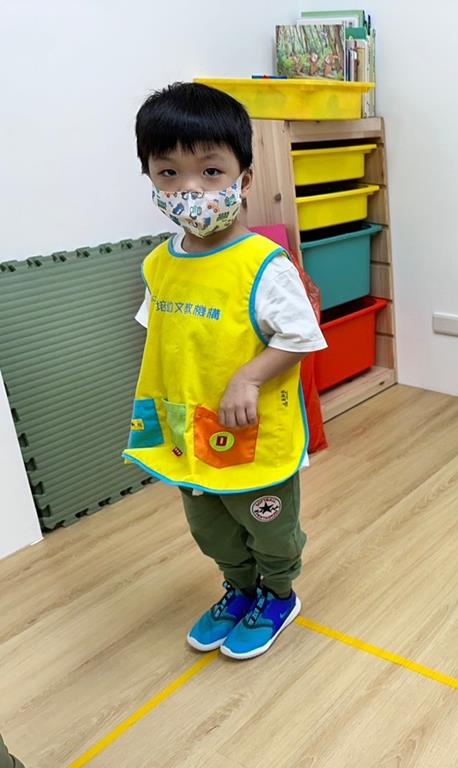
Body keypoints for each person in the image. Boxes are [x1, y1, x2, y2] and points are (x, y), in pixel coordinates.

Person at [126, 82, 326, 660]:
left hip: (251, 432)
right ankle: (238, 589)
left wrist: (249, 377)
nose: (190, 189)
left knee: (267, 524)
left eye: (211, 172)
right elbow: (164, 337)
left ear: (244, 179)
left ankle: (278, 594)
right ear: (150, 179)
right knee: (209, 525)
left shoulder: (262, 264)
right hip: (188, 429)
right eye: (169, 173)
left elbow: (301, 335)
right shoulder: (159, 263)